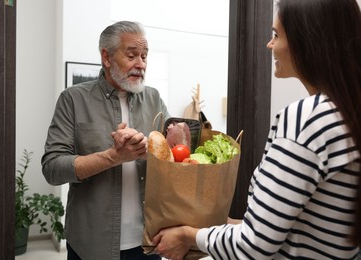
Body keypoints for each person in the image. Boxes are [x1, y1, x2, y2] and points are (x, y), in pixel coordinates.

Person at [152, 0, 361, 259]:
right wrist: (223, 225)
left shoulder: (307, 118)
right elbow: (301, 227)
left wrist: (187, 236)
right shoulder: (346, 113)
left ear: (308, 40)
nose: (269, 45)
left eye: (276, 35)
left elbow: (255, 245)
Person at [41, 21, 170, 260]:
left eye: (144, 56)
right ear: (106, 57)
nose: (140, 64)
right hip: (91, 244)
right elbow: (52, 168)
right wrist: (114, 156)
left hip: (149, 241)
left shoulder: (154, 99)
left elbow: (173, 159)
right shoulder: (73, 99)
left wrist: (154, 150)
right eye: (132, 55)